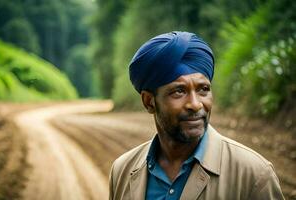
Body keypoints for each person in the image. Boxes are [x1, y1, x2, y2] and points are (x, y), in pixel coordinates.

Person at [109, 31, 284, 200]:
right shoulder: (123, 170)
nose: (195, 104)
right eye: (179, 91)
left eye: (203, 89)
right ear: (149, 102)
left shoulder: (253, 174)